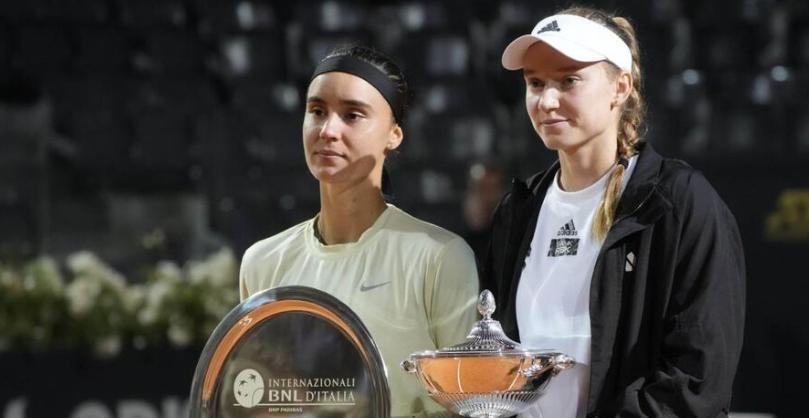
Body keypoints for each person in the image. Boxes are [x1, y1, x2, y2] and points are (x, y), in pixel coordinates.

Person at [480, 7, 746, 417]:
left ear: (620, 87)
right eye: (535, 83)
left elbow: (696, 381)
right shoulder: (519, 209)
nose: (546, 100)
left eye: (569, 80)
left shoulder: (680, 201)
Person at [239, 45, 478, 417]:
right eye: (316, 111)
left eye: (352, 115)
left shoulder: (440, 257)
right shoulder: (261, 263)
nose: (328, 130)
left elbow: (469, 407)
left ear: (394, 135)